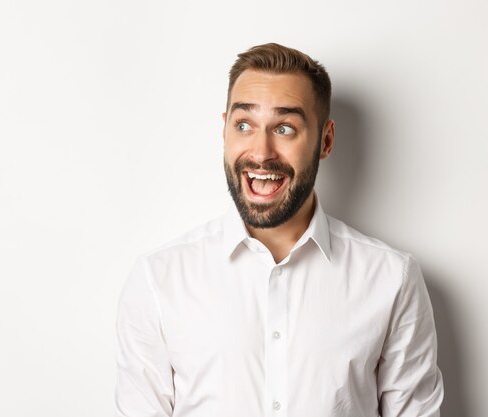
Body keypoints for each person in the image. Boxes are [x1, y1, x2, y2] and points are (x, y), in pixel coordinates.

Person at [115, 43, 444, 417]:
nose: (261, 152)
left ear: (326, 140)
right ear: (224, 131)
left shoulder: (391, 279)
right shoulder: (159, 281)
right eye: (244, 125)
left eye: (285, 128)